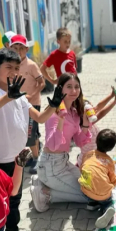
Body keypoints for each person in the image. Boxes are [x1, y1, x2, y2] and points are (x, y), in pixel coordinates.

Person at [0, 48, 65, 231]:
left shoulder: (21, 97)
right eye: (8, 67)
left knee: (14, 199)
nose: (14, 72)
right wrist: (7, 97)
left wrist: (54, 105)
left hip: (17, 160)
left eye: (17, 68)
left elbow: (40, 117)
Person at [30, 73, 92, 212]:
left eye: (77, 87)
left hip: (63, 162)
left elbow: (81, 142)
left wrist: (86, 125)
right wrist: (61, 120)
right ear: (60, 89)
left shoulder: (74, 112)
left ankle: (41, 181)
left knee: (90, 187)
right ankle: (44, 193)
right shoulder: (52, 113)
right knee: (89, 196)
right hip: (50, 165)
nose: (74, 91)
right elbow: (52, 144)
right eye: (69, 87)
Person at [10, 34, 45, 174]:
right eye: (15, 48)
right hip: (17, 105)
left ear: (26, 49)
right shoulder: (11, 65)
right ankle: (31, 152)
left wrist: (32, 95)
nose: (18, 51)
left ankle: (37, 159)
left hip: (32, 104)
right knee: (21, 132)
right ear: (10, 48)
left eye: (21, 48)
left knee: (30, 135)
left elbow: (41, 83)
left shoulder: (31, 65)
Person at [79, 129, 116, 229]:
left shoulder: (88, 154)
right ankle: (107, 209)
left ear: (96, 141)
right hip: (103, 195)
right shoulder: (108, 161)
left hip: (86, 192)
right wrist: (115, 183)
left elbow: (82, 169)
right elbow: (113, 179)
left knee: (91, 183)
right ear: (111, 147)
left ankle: (92, 203)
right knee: (108, 201)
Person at [76, 87, 116, 168]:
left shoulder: (85, 120)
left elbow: (98, 106)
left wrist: (111, 95)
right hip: (89, 162)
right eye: (90, 107)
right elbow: (102, 112)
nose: (93, 107)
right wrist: (114, 101)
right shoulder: (86, 125)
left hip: (87, 158)